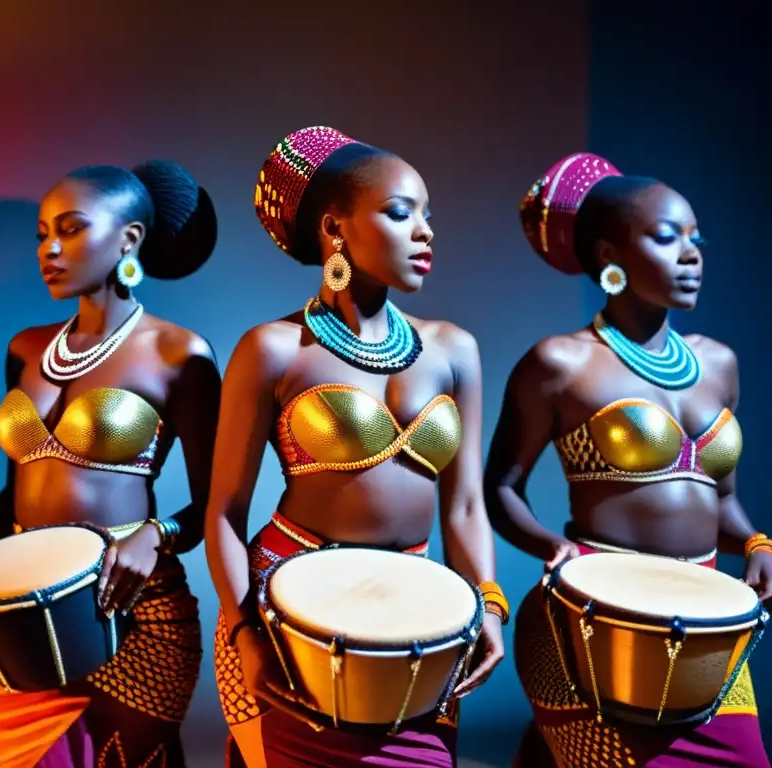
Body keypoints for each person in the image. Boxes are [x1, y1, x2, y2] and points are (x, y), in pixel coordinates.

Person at [205, 125, 508, 768]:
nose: (426, 232)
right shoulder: (273, 350)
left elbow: (466, 509)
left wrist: (487, 601)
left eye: (428, 216)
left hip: (419, 618)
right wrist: (244, 631)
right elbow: (225, 513)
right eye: (402, 214)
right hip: (288, 615)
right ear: (334, 229)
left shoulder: (455, 349)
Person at [485, 152, 772, 767]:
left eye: (697, 239)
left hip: (703, 633)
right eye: (668, 238)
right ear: (611, 258)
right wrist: (549, 547)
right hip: (589, 624)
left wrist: (755, 544)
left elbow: (719, 497)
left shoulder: (718, 365)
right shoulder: (560, 364)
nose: (692, 254)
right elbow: (502, 486)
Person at [0, 160, 220, 767]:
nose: (51, 248)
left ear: (129, 240)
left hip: (126, 604)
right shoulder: (26, 348)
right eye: (42, 233)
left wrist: (157, 533)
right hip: (16, 604)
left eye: (69, 229)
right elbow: (17, 488)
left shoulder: (179, 353)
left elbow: (217, 502)